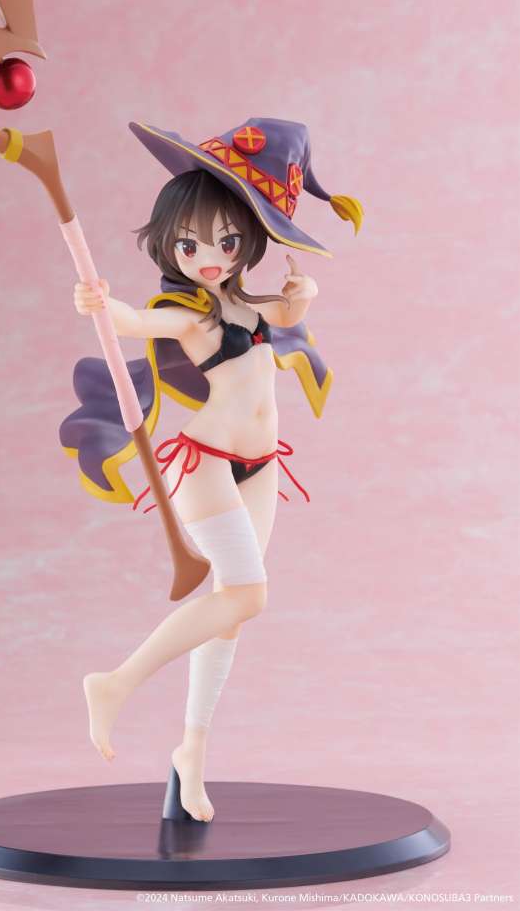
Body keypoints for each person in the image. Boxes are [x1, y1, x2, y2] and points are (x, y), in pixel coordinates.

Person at [60, 118, 363, 821]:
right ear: (168, 243)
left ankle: (191, 754)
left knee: (228, 618)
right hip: (206, 464)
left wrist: (303, 294)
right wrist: (100, 305)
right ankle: (115, 681)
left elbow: (287, 309)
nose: (209, 258)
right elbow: (136, 322)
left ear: (248, 241)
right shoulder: (191, 314)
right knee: (247, 597)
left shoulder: (244, 303)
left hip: (261, 467)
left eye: (227, 243)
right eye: (190, 244)